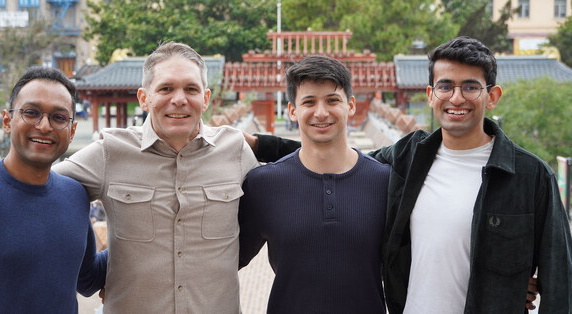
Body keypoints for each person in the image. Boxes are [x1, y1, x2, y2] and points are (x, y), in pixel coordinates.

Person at [247, 37, 571, 313]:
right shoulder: (409, 159)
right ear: (431, 94)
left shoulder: (530, 177)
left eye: (470, 87)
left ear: (493, 95)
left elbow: (560, 279)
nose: (456, 98)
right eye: (446, 86)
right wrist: (261, 144)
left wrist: (510, 280)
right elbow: (335, 158)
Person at [54, 42, 258, 313]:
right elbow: (42, 190)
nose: (179, 99)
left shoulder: (236, 150)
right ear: (144, 97)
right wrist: (95, 267)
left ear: (206, 98)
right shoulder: (110, 152)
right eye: (165, 88)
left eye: (191, 89)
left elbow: (272, 206)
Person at [239, 55, 390, 313]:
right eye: (309, 102)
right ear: (293, 110)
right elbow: (224, 261)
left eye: (332, 100)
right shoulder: (263, 184)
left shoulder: (385, 182)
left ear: (350, 105)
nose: (321, 112)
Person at [0, 67, 107, 312]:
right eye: (31, 113)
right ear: (7, 121)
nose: (44, 126)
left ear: (72, 131)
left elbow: (87, 279)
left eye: (59, 117)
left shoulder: (75, 195)